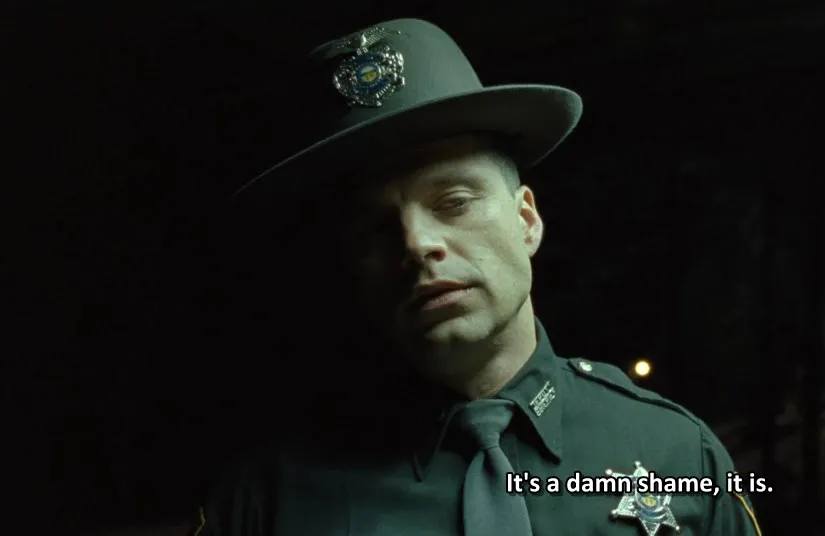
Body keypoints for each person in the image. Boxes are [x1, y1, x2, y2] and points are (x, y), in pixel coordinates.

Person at [190, 18, 763, 536]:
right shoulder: (267, 499)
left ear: (526, 220)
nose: (417, 245)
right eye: (375, 229)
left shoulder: (676, 455)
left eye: (454, 201)